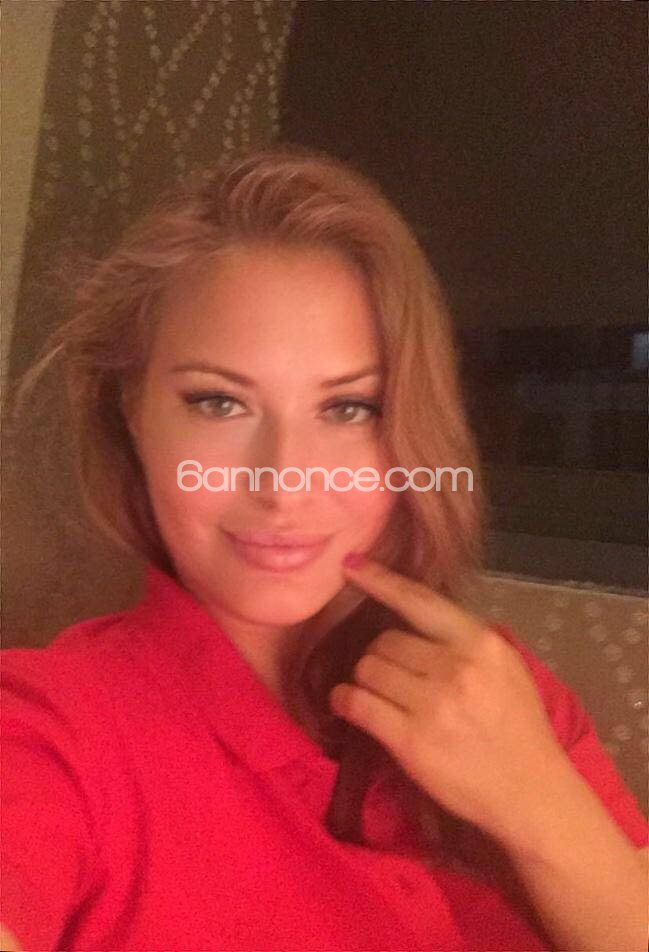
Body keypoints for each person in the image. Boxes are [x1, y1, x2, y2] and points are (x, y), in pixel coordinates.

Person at [1, 143, 647, 952]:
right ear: (132, 411)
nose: (284, 484)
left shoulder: (497, 689)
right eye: (218, 402)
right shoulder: (53, 731)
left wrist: (537, 804)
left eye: (348, 409)